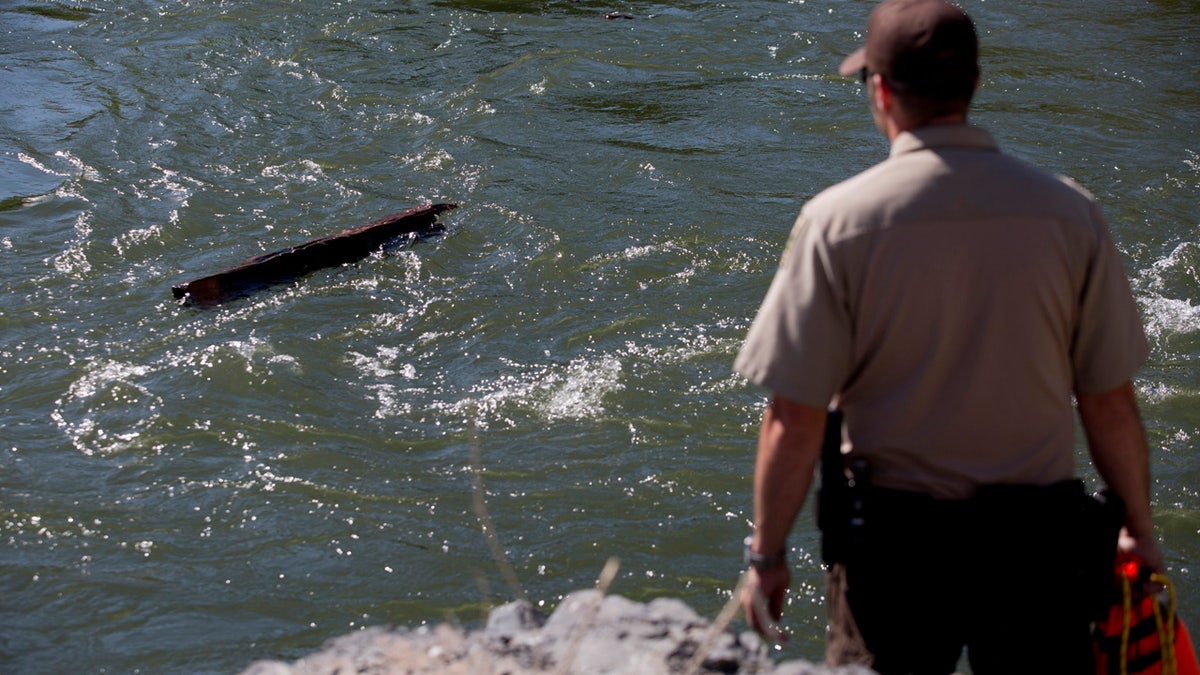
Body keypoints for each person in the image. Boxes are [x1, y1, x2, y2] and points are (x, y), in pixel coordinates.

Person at [732, 0, 1165, 673]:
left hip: (895, 549)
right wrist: (1139, 529)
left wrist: (767, 557)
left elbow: (793, 416)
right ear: (974, 85)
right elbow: (1108, 400)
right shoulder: (1071, 213)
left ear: (880, 91)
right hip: (1038, 547)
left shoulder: (837, 222)